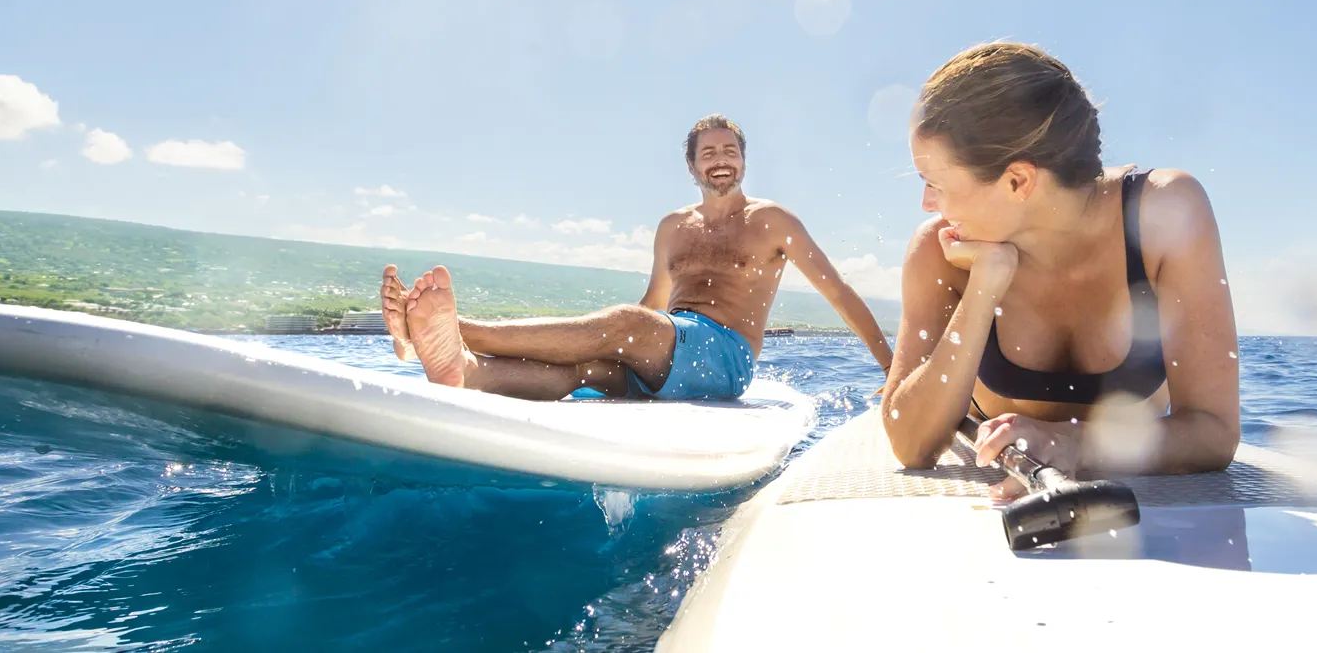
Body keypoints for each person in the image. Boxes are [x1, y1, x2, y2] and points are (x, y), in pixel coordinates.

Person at [880, 42, 1240, 493]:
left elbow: (1214, 432)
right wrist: (983, 288)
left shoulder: (1164, 217)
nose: (926, 204)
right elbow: (910, 445)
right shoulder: (940, 252)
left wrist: (1072, 445)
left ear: (1018, 181)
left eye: (934, 184)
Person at [381, 114, 893, 401]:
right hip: (666, 347)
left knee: (625, 325)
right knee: (585, 370)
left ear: (743, 160)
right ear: (692, 165)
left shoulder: (772, 221)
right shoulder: (673, 227)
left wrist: (891, 371)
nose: (721, 160)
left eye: (729, 150)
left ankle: (458, 329)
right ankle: (467, 371)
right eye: (709, 153)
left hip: (726, 358)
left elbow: (839, 294)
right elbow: (654, 305)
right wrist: (615, 337)